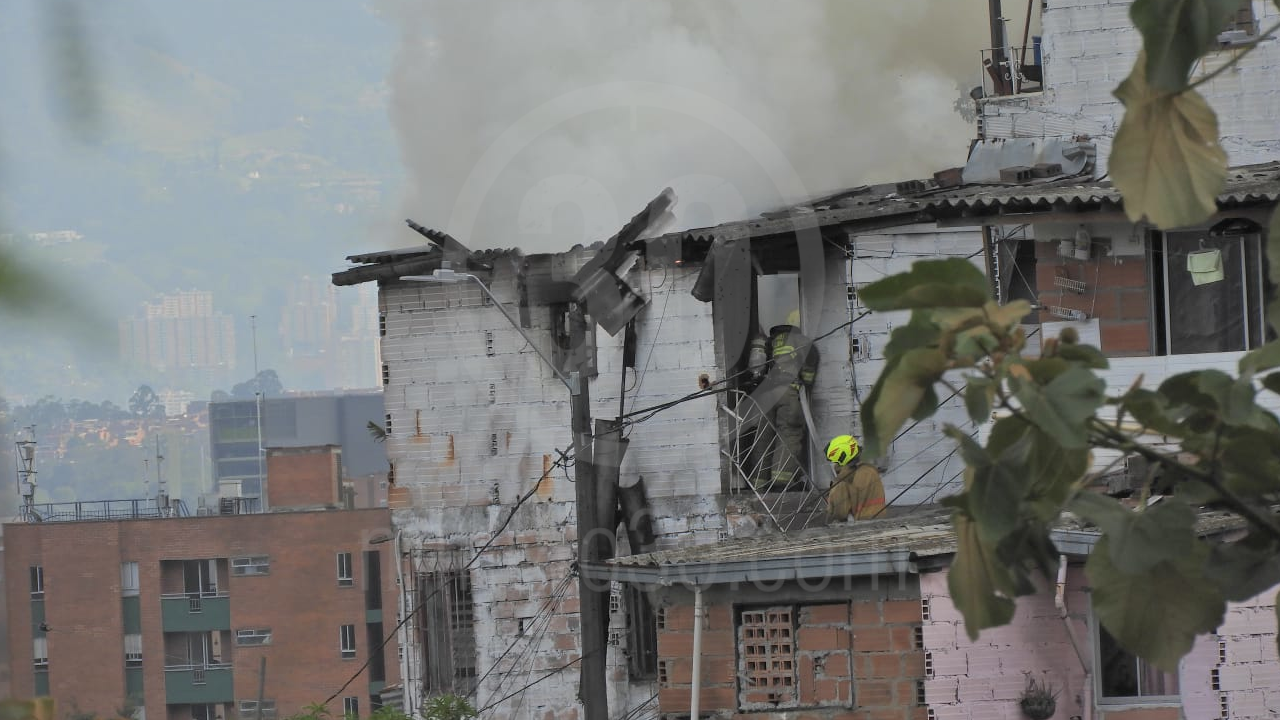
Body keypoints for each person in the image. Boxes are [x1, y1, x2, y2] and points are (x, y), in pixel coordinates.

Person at [748, 310, 819, 489]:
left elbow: (755, 369)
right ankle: (782, 482)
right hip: (788, 391)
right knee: (789, 434)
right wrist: (806, 384)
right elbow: (811, 362)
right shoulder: (800, 340)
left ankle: (758, 482)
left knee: (762, 438)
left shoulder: (767, 342)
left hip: (766, 395)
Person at [825, 435, 886, 521]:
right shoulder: (870, 469)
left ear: (841, 457)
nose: (834, 463)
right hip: (881, 521)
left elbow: (839, 513)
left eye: (834, 460)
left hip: (860, 527)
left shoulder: (844, 478)